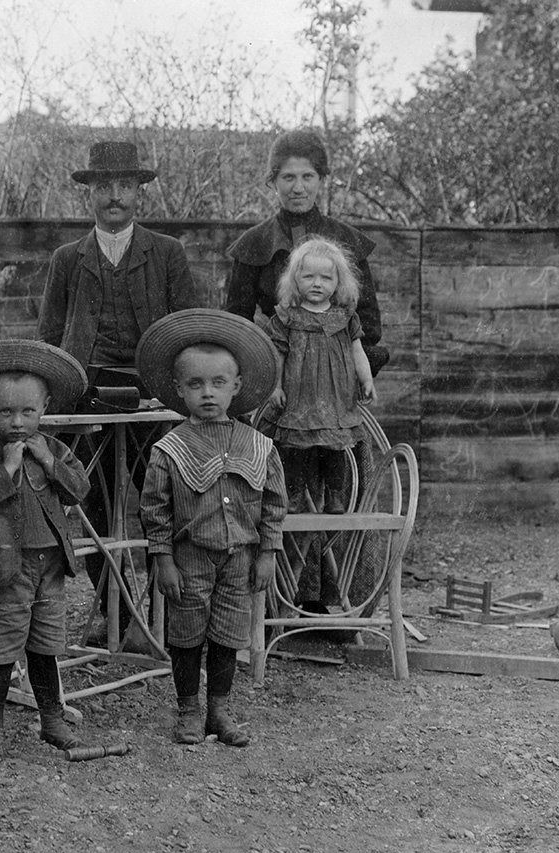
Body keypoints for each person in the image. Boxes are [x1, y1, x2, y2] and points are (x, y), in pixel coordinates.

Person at [37, 141, 199, 644]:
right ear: (90, 194)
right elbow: (49, 335)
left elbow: (187, 328)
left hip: (152, 396)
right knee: (96, 509)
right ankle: (117, 616)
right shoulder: (68, 259)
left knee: (162, 504)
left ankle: (164, 619)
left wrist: (177, 392)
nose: (114, 197)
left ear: (138, 194)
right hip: (89, 396)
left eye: (124, 186)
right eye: (104, 187)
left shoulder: (166, 253)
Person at [225, 128, 387, 612]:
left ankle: (337, 605)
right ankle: (282, 604)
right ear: (273, 182)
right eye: (288, 177)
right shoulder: (252, 248)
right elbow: (236, 327)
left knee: (341, 499)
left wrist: (350, 378)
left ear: (323, 181)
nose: (298, 187)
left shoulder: (347, 244)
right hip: (281, 400)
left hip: (338, 402)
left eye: (308, 176)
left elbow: (369, 328)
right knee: (284, 497)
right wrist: (264, 383)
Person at [136, 309, 287, 747]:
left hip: (240, 558)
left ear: (236, 387)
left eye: (219, 383)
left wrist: (268, 553)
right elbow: (155, 510)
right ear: (179, 390)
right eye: (196, 385)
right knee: (186, 633)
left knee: (228, 631)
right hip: (190, 558)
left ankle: (218, 711)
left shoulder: (259, 447)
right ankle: (188, 710)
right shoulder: (169, 449)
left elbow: (274, 504)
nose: (208, 393)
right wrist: (162, 560)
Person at [0, 339, 93, 764]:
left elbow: (79, 490)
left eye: (28, 411)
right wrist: (6, 469)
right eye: (5, 412)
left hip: (49, 566)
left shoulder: (55, 449)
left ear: (44, 407)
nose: (17, 422)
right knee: (0, 652)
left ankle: (52, 719)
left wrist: (49, 461)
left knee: (45, 647)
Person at [267, 237, 376, 518]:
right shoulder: (286, 318)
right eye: (309, 276)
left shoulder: (345, 317)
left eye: (326, 277)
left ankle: (335, 496)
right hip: (299, 397)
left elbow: (357, 351)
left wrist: (366, 380)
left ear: (338, 282)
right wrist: (275, 386)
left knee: (334, 449)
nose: (317, 283)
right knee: (295, 450)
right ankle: (293, 495)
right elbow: (277, 355)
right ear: (295, 280)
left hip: (336, 397)